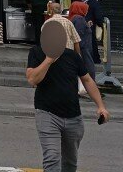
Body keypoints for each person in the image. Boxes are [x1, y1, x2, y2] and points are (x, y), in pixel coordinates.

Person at [26, 19, 109, 172]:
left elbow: (87, 80)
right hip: (47, 114)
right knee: (52, 158)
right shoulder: (36, 53)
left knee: (70, 163)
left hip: (73, 116)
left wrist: (101, 106)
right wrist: (49, 60)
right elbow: (32, 79)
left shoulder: (72, 56)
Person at [80, 0, 104, 66]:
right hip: (90, 26)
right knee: (92, 43)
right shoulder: (94, 3)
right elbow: (98, 16)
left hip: (82, 25)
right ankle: (94, 59)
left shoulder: (83, 2)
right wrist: (101, 24)